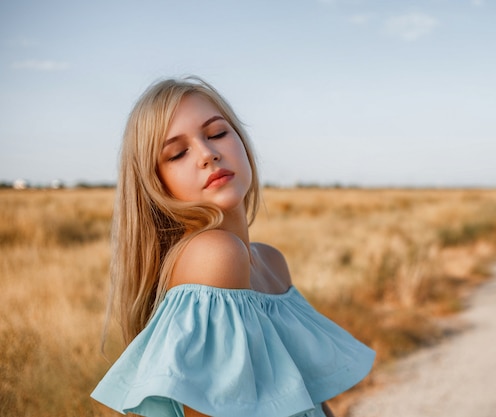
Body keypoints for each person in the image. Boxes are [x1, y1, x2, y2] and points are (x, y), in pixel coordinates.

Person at [91, 76, 375, 417]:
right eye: (178, 153)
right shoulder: (214, 257)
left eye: (217, 133)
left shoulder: (270, 262)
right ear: (156, 184)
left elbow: (310, 401)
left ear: (241, 140)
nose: (208, 154)